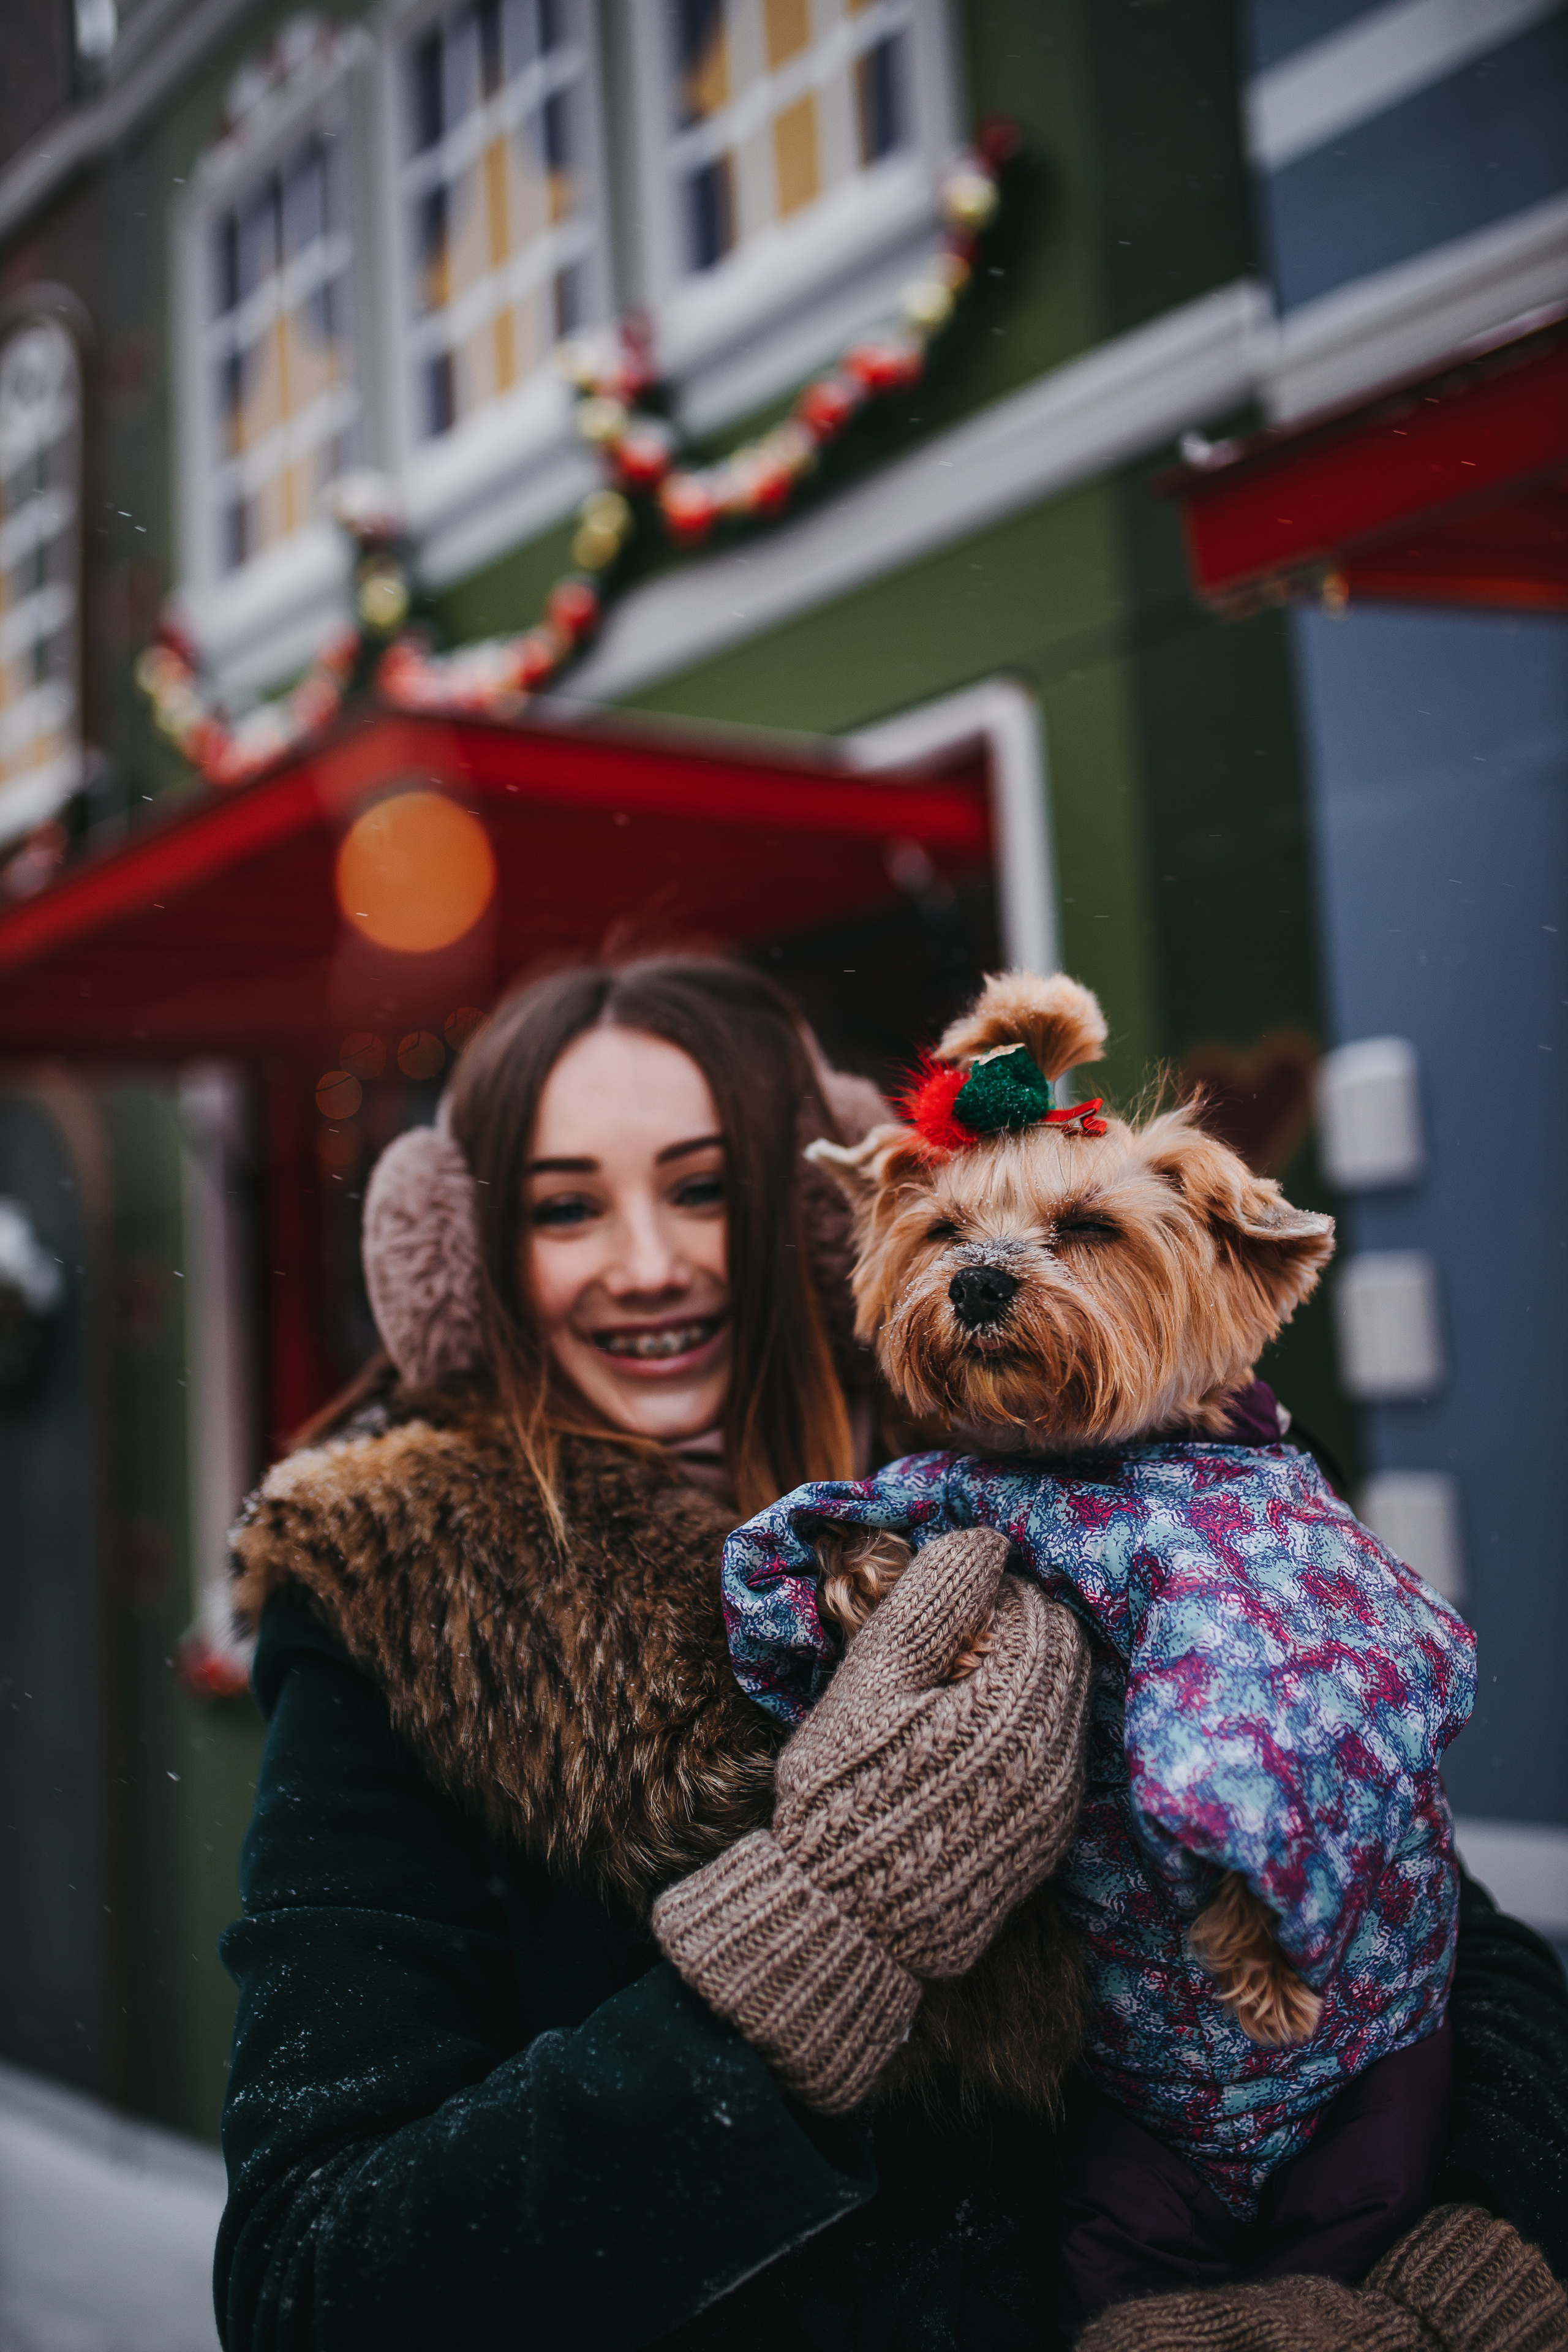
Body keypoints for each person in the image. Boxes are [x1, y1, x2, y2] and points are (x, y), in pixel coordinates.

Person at [215, 955, 1568, 2352]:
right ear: (470, 1257)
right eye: (565, 1207)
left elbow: (1447, 1945)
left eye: (702, 1188)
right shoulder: (404, 1618)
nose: (645, 1264)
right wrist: (826, 1920)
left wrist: (1462, 2281)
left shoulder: (1137, 1501)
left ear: (822, 1218)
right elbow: (310, 2287)